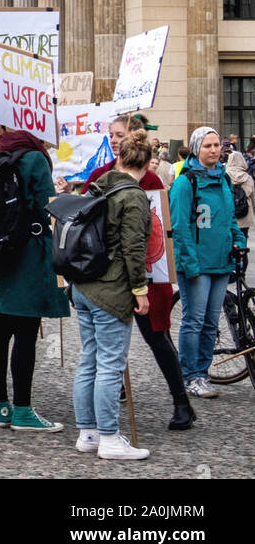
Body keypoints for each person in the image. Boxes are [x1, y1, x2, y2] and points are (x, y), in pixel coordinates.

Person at [84, 115, 194, 430]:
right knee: (105, 342)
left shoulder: (151, 181)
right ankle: (104, 403)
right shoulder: (100, 175)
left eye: (120, 134)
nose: (115, 140)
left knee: (157, 338)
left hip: (146, 274)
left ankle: (181, 402)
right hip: (109, 277)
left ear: (133, 137)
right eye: (111, 135)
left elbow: (158, 230)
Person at [71, 129, 153, 460]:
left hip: (84, 285)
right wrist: (140, 290)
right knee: (110, 364)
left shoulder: (98, 185)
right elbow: (134, 249)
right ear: (147, 162)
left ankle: (87, 432)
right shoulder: (133, 197)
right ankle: (108, 438)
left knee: (89, 359)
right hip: (111, 288)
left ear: (119, 158)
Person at [0, 125, 69, 432]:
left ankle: (0, 407)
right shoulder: (34, 157)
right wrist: (63, 195)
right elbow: (47, 206)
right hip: (29, 252)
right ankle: (22, 410)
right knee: (25, 331)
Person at [169, 126, 244, 399]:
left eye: (217, 146)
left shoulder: (223, 180)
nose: (214, 150)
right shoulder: (184, 183)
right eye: (208, 146)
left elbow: (229, 219)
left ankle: (202, 372)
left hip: (221, 262)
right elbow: (180, 228)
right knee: (194, 321)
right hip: (197, 265)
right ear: (196, 148)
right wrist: (190, 265)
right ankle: (190, 376)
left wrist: (239, 241)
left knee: (211, 322)